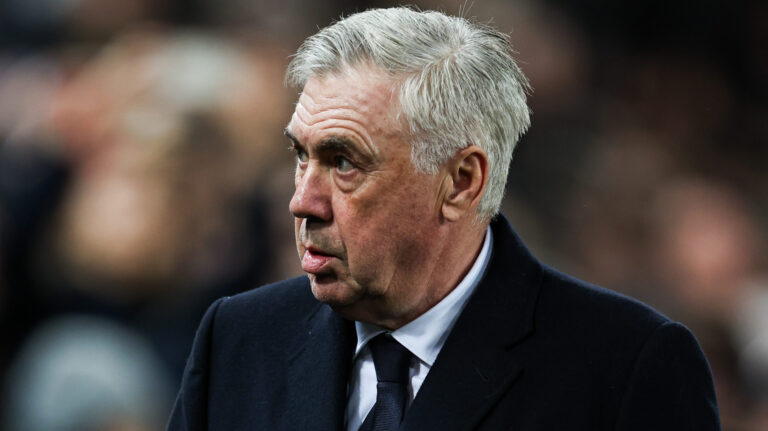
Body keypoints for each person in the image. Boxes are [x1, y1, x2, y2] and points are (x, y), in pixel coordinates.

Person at [167, 7, 720, 430]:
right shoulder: (239, 338)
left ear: (461, 182)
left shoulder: (628, 365)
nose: (302, 200)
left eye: (343, 162)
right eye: (300, 156)